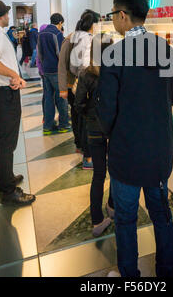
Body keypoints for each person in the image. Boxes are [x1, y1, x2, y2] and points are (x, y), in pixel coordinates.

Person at [96, 0, 173, 278]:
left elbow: (106, 111)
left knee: (126, 220)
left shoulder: (114, 55)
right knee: (162, 216)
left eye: (113, 15)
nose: (113, 22)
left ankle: (130, 276)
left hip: (126, 154)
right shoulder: (165, 49)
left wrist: (112, 133)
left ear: (123, 15)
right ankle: (168, 271)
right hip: (159, 152)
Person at [0, 0, 35, 206]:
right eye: (6, 13)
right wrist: (14, 74)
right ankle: (9, 191)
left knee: (1, 138)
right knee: (7, 142)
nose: (8, 16)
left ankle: (5, 179)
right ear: (1, 16)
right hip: (4, 95)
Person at [75, 33, 115, 237]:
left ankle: (97, 220)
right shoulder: (118, 71)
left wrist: (90, 115)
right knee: (116, 172)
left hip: (94, 128)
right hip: (115, 128)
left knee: (98, 174)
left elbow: (78, 103)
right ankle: (113, 206)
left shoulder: (86, 74)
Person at [59, 10, 99, 168]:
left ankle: (81, 145)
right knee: (79, 117)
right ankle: (83, 148)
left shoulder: (80, 38)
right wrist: (62, 87)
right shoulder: (72, 39)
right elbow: (62, 65)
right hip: (73, 85)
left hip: (78, 84)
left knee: (78, 116)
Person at [37, 13, 70, 135]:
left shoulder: (41, 34)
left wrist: (44, 65)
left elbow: (39, 53)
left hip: (46, 71)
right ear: (60, 22)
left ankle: (48, 126)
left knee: (48, 99)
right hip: (57, 71)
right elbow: (60, 54)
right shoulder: (57, 34)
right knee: (62, 98)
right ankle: (64, 125)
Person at [36, 24, 48, 120]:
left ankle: (46, 117)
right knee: (48, 95)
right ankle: (46, 117)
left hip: (43, 72)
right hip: (46, 72)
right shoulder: (43, 42)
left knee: (46, 94)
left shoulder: (40, 41)